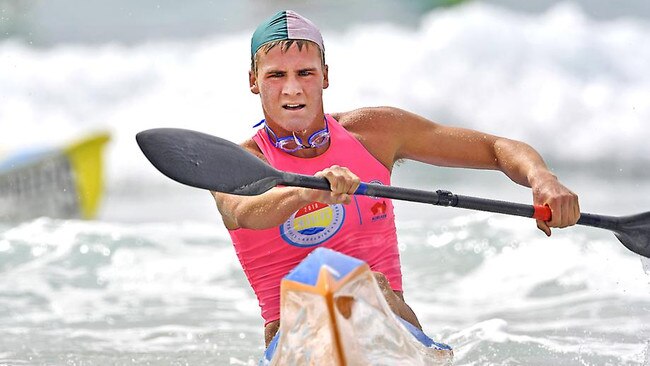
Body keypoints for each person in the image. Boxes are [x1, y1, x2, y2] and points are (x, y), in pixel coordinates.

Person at [211, 10, 580, 347]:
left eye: (304, 72)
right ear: (254, 81)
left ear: (325, 75)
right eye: (276, 75)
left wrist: (542, 178)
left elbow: (496, 148)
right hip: (292, 343)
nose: (292, 88)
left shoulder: (375, 134)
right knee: (328, 285)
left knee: (369, 286)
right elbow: (244, 212)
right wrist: (308, 191)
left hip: (396, 332)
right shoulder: (237, 164)